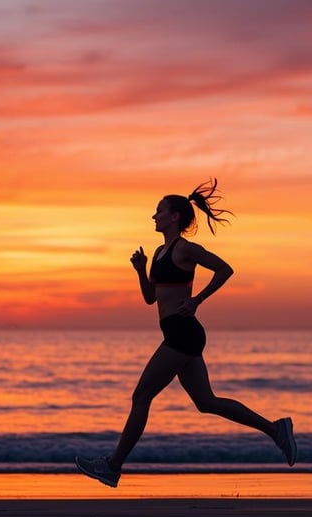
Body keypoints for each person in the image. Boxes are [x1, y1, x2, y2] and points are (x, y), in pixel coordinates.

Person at [75, 179, 296, 487]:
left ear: (174, 216)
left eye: (159, 211)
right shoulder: (159, 252)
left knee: (141, 396)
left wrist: (197, 300)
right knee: (206, 402)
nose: (154, 216)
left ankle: (112, 466)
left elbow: (225, 269)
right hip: (179, 333)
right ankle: (276, 430)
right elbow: (151, 298)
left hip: (182, 333)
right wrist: (140, 271)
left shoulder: (185, 249)